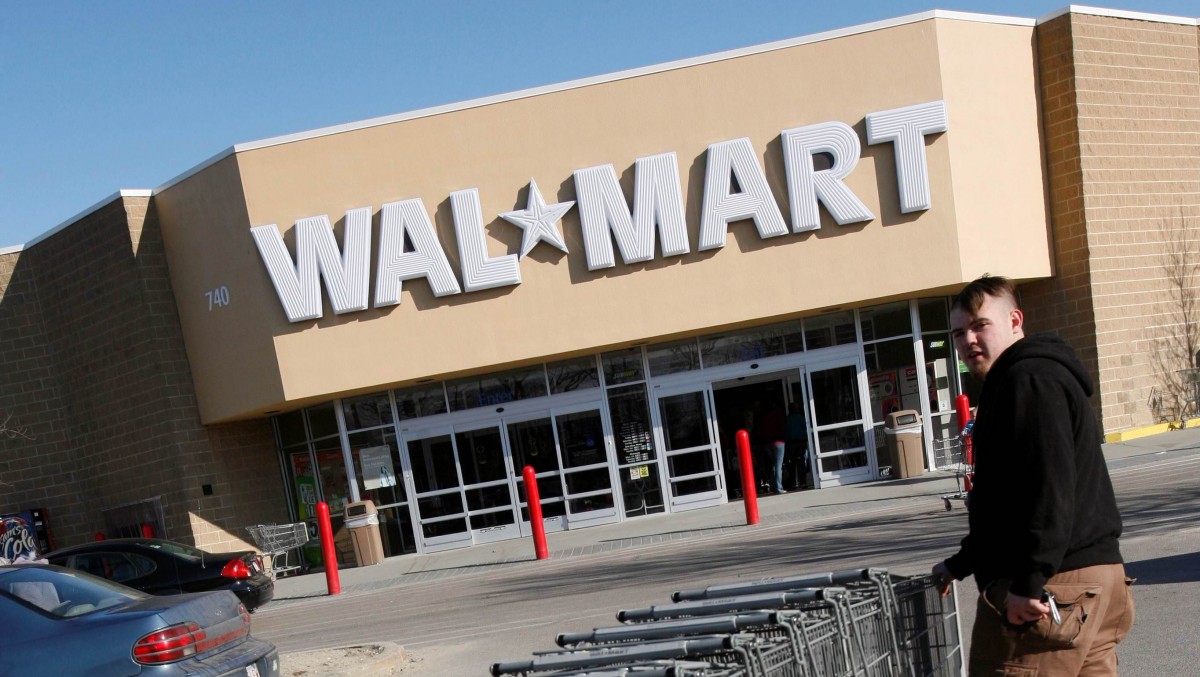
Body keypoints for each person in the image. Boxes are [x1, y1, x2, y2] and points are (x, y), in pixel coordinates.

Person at [932, 275, 1134, 675]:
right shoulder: (1028, 378)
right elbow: (1006, 497)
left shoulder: (1029, 379)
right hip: (1095, 580)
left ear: (1014, 321)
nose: (968, 340)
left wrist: (1028, 582)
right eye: (958, 332)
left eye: (980, 325)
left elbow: (1049, 486)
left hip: (1056, 585)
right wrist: (963, 562)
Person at [757, 401, 787, 494]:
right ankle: (778, 488)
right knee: (778, 465)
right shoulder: (778, 415)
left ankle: (773, 485)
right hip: (779, 442)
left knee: (774, 464)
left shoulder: (763, 418)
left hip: (767, 444)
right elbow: (783, 428)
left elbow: (760, 431)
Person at [785, 401, 810, 489]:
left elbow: (785, 431)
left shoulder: (787, 419)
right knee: (801, 462)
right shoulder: (801, 418)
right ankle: (802, 482)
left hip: (790, 443)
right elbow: (805, 429)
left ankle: (793, 483)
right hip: (801, 442)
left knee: (791, 463)